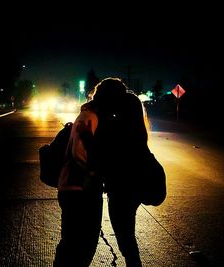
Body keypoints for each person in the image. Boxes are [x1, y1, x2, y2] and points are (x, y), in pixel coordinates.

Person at [85, 77, 148, 267]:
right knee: (127, 235)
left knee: (125, 238)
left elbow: (100, 149)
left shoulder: (112, 122)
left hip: (121, 186)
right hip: (135, 180)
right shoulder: (131, 111)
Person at [53, 88, 104, 266]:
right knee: (79, 246)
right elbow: (79, 153)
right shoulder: (90, 117)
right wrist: (93, 173)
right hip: (79, 189)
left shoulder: (88, 115)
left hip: (72, 188)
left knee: (71, 244)